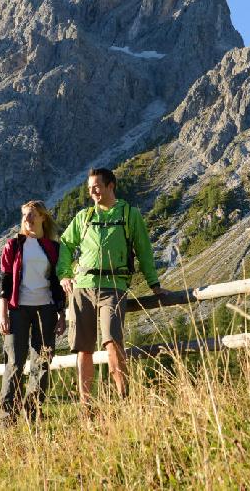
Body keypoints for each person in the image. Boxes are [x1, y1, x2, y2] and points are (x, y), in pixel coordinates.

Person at [58, 168, 162, 403]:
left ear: (110, 185)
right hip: (82, 286)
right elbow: (64, 244)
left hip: (113, 286)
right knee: (83, 348)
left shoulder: (128, 214)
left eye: (96, 186)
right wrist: (65, 274)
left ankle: (124, 398)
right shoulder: (84, 217)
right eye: (89, 188)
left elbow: (144, 250)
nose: (92, 191)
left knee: (113, 342)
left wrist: (154, 284)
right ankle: (86, 404)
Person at [0, 200, 66, 425]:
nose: (27, 219)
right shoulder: (13, 245)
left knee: (43, 362)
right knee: (15, 362)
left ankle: (33, 411)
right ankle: (7, 418)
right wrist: (4, 314)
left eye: (32, 215)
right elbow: (6, 283)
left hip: (46, 309)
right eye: (25, 215)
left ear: (43, 218)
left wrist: (62, 314)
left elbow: (57, 282)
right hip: (18, 309)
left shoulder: (53, 247)